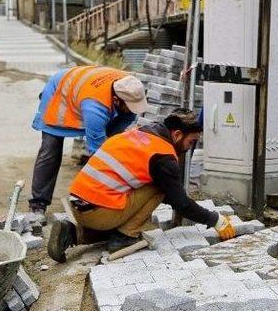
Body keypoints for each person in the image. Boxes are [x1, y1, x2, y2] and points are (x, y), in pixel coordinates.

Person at [47, 108, 236, 263]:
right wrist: (215, 220)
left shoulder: (140, 133)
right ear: (177, 135)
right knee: (158, 187)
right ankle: (125, 237)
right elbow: (180, 202)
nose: (190, 147)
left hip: (79, 206)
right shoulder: (163, 156)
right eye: (191, 141)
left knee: (145, 193)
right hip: (99, 212)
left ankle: (72, 234)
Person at [28, 66, 147, 218]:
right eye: (129, 107)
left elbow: (118, 132)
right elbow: (97, 155)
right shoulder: (95, 108)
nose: (132, 110)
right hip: (60, 90)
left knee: (110, 145)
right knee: (50, 148)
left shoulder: (129, 87)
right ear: (116, 100)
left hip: (84, 87)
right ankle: (38, 203)